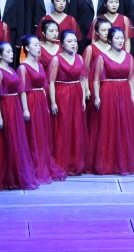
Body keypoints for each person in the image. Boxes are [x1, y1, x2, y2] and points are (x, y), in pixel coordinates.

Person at [0, 41, 41, 191]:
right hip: (5, 109)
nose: (12, 54)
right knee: (4, 142)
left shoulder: (11, 69)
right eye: (8, 52)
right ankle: (2, 177)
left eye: (12, 51)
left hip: (14, 107)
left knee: (15, 141)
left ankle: (14, 175)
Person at [18, 36, 66, 183]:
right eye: (35, 45)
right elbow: (22, 90)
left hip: (40, 101)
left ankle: (42, 164)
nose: (39, 48)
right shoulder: (23, 67)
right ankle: (31, 166)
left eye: (39, 45)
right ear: (27, 48)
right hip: (31, 101)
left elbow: (44, 87)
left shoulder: (39, 65)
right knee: (32, 134)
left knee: (41, 134)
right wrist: (25, 109)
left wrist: (46, 105)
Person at [91, 28, 134, 175]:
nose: (120, 40)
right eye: (117, 38)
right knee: (108, 126)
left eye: (122, 38)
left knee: (123, 126)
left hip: (124, 92)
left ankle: (123, 162)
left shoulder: (129, 57)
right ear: (110, 40)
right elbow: (96, 79)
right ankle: (107, 163)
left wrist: (132, 95)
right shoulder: (102, 57)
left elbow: (131, 78)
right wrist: (97, 97)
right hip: (108, 92)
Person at [48, 30, 89, 176]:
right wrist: (53, 102)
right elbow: (51, 82)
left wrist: (83, 98)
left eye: (75, 41)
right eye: (69, 41)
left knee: (76, 128)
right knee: (63, 128)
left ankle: (75, 162)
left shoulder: (79, 58)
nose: (73, 44)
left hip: (76, 94)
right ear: (62, 44)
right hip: (62, 95)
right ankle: (62, 163)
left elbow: (82, 79)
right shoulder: (56, 59)